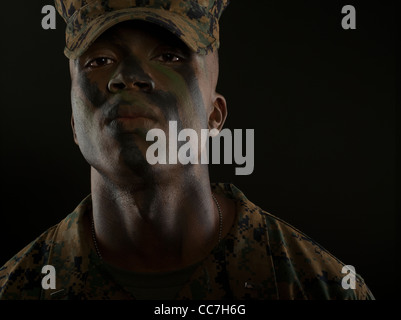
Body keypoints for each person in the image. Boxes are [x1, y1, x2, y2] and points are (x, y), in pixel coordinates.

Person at [0, 0, 374, 300]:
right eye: (99, 61)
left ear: (214, 115)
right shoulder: (17, 287)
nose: (128, 77)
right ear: (74, 125)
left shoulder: (318, 287)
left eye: (169, 57)